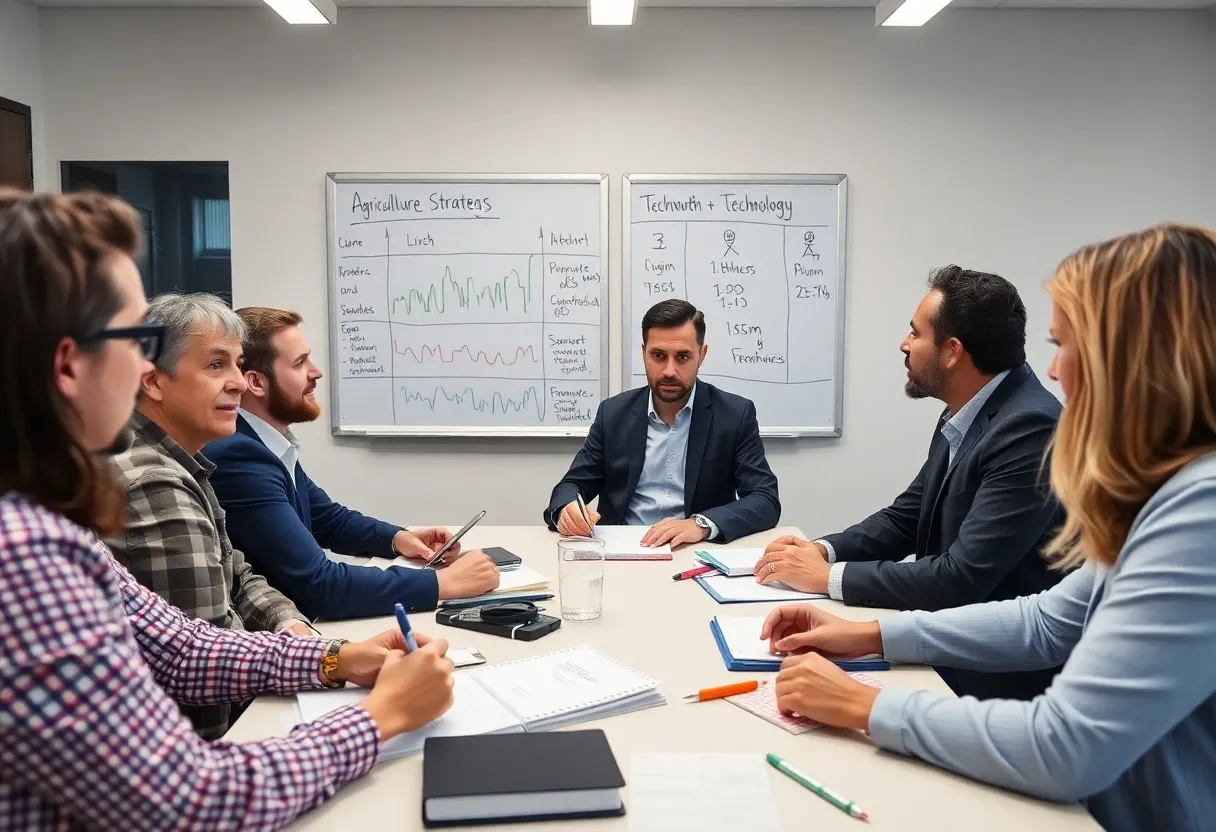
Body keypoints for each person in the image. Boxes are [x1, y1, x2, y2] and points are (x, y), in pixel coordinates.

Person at [0, 188, 454, 829]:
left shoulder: (40, 516)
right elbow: (193, 800)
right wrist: (381, 718)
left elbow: (179, 646)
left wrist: (332, 660)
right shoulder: (22, 554)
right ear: (69, 365)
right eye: (135, 340)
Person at [759, 225, 1216, 832]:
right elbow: (1047, 621)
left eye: (1068, 345)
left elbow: (1064, 748)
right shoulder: (1168, 490)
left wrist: (862, 704)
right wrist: (866, 635)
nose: (1055, 371)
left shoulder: (1200, 507)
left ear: (1138, 358)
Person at [756, 267, 1064, 700]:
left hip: (997, 683)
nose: (904, 343)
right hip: (945, 649)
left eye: (916, 333)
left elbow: (962, 576)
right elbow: (907, 516)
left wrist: (829, 577)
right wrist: (823, 550)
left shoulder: (1029, 427)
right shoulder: (967, 409)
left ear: (952, 351)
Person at [106, 292, 317, 739]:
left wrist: (288, 623)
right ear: (153, 381)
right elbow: (209, 656)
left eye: (238, 365)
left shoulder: (180, 459)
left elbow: (237, 575)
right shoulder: (153, 482)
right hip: (206, 741)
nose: (239, 383)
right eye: (216, 365)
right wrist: (325, 662)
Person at [205, 307, 500, 620]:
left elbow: (328, 520)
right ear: (256, 383)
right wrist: (443, 584)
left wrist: (399, 539)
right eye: (300, 363)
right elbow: (319, 586)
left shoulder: (265, 442)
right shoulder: (240, 455)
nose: (316, 372)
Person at [545, 299, 780, 546]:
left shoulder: (734, 415)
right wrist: (566, 509)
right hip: (622, 549)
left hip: (694, 550)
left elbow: (764, 499)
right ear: (643, 352)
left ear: (702, 355)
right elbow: (572, 485)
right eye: (658, 356)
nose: (669, 371)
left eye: (683, 357)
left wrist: (700, 524)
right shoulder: (613, 414)